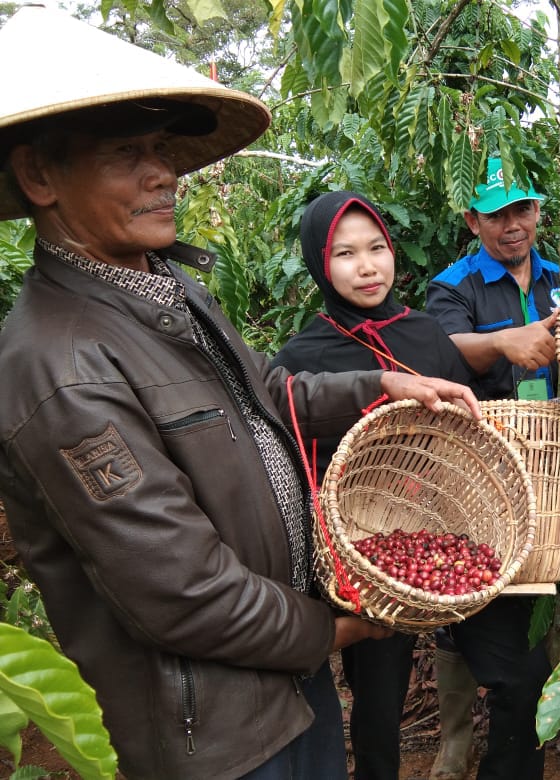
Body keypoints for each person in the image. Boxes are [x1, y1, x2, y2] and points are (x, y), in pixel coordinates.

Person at [0, 7, 480, 780]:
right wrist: (337, 631)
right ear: (38, 176)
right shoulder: (60, 367)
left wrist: (378, 383)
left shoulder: (162, 287)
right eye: (128, 154)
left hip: (285, 677)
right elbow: (182, 593)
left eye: (162, 149)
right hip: (213, 731)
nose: (164, 174)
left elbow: (264, 388)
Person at [271, 190, 477, 779]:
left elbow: (469, 426)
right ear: (319, 263)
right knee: (375, 692)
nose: (367, 267)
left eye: (377, 248)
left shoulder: (427, 336)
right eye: (344, 253)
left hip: (437, 533)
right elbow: (292, 450)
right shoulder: (302, 355)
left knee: (484, 666)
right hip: (359, 550)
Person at [423, 157, 560, 780]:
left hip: (551, 464)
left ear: (537, 212)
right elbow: (440, 355)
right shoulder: (454, 286)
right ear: (473, 219)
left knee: (536, 584)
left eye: (522, 210)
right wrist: (502, 342)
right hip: (479, 464)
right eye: (496, 213)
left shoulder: (558, 279)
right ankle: (456, 740)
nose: (512, 225)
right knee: (467, 597)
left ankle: (522, 723)